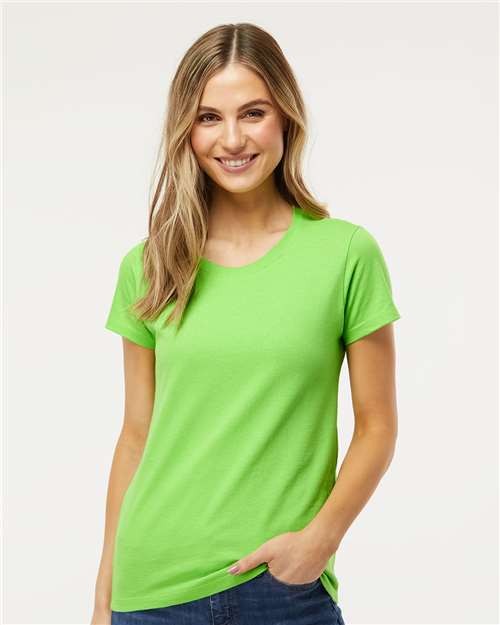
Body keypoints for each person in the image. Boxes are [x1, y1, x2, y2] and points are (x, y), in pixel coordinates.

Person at [91, 22, 401, 625]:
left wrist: (318, 543)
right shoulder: (150, 265)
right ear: (186, 130)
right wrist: (105, 595)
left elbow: (378, 426)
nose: (231, 139)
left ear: (286, 116)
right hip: (150, 590)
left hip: (281, 590)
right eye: (208, 118)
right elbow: (135, 436)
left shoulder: (345, 255)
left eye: (252, 113)